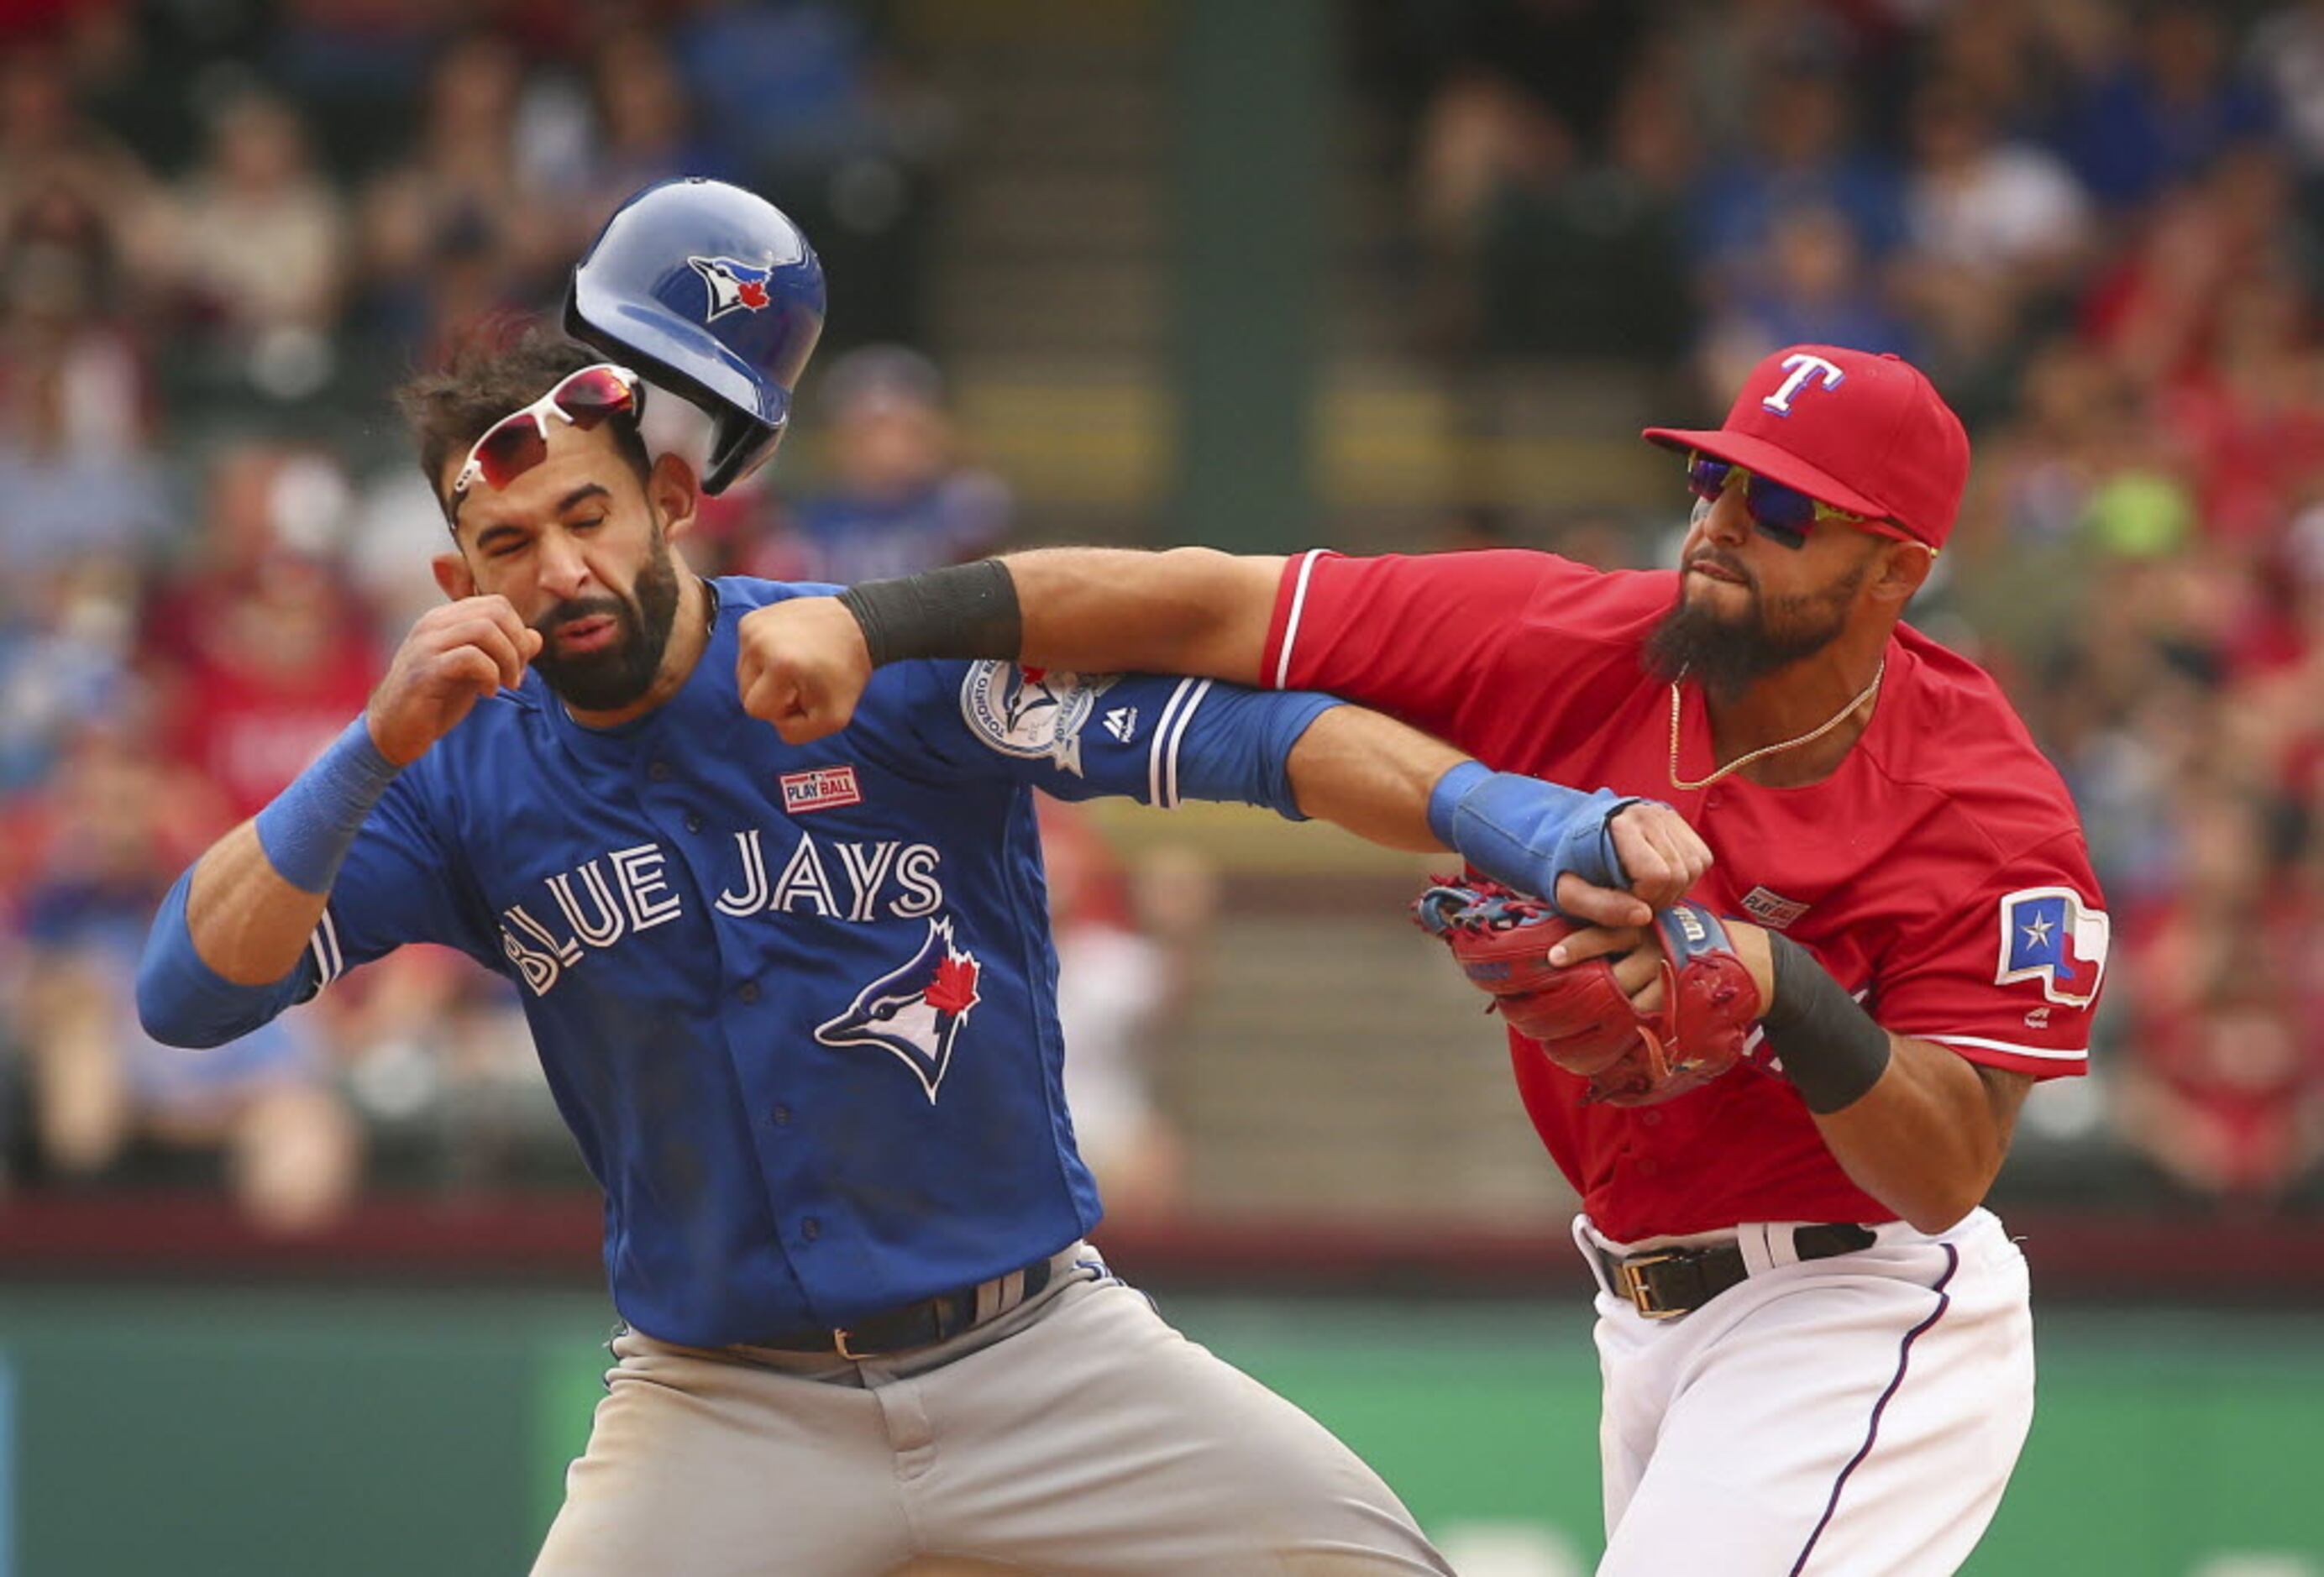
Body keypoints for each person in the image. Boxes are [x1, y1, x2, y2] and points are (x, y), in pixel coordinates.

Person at [137, 180, 1714, 1576]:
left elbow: (1262, 744)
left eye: (587, 514)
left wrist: (1533, 825)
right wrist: (369, 744)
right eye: (503, 544)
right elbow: (189, 992)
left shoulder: (862, 659)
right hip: (719, 1399)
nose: (556, 570)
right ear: (451, 579)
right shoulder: (452, 778)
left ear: (672, 504)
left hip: (1040, 1356)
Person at [740, 343, 2109, 1574]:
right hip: (1644, 1313)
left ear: (1898, 568)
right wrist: (876, 621)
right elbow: (1207, 606)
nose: (1724, 525)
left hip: (1860, 1305)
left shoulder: (1983, 808)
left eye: (1786, 509)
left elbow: (1945, 1171)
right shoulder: (1566, 638)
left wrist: (1780, 983)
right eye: (1714, 479)